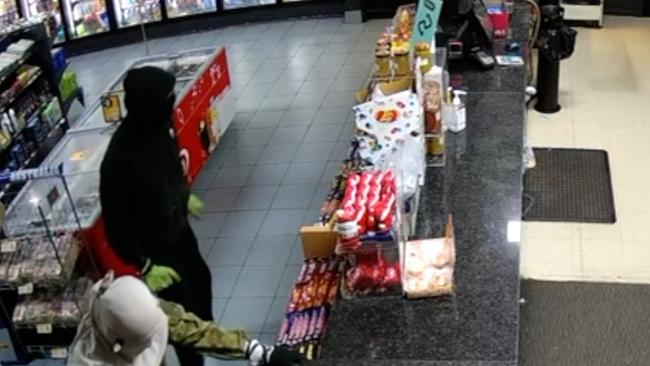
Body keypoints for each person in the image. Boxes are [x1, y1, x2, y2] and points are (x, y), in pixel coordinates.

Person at [99, 66, 211, 365]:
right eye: (167, 98)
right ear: (147, 104)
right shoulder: (118, 160)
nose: (172, 103)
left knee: (203, 283)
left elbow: (170, 163)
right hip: (156, 252)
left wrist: (182, 195)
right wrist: (145, 265)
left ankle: (205, 341)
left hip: (179, 231)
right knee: (183, 315)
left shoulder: (161, 125)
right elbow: (116, 225)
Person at [67, 273, 304, 366]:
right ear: (121, 344)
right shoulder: (90, 362)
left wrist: (256, 351)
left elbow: (192, 330)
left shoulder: (134, 305)